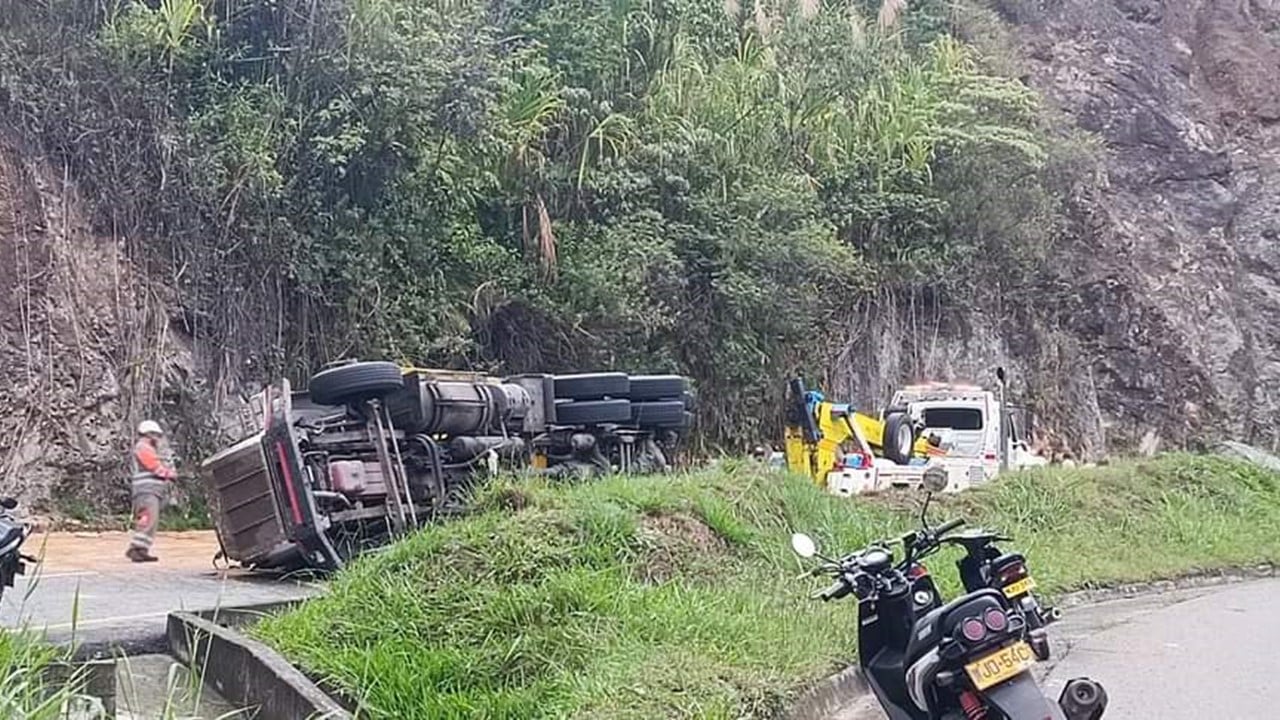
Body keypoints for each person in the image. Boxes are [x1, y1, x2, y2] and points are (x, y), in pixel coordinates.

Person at [125, 420, 177, 563]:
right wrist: (170, 474)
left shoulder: (146, 447)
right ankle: (136, 549)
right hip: (146, 491)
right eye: (156, 435)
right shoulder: (143, 447)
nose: (158, 439)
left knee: (150, 519)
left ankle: (141, 549)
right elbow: (154, 466)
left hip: (149, 491)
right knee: (148, 519)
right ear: (149, 434)